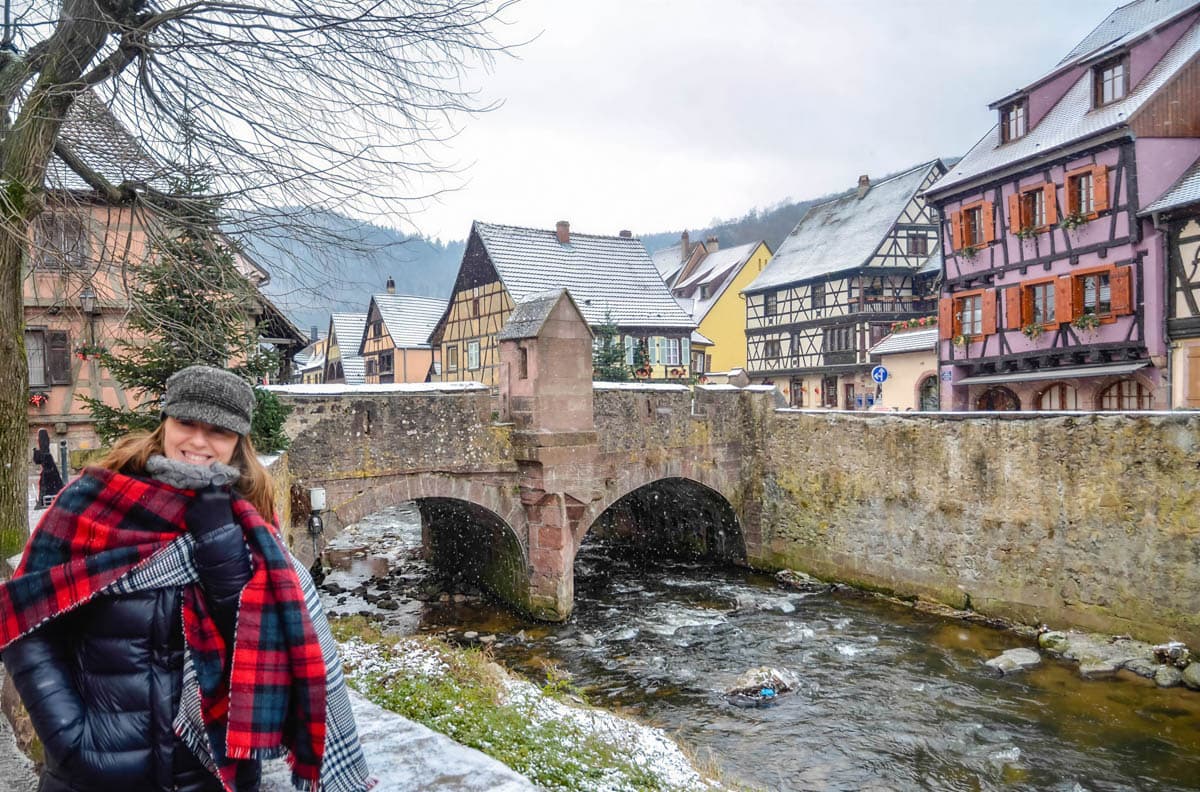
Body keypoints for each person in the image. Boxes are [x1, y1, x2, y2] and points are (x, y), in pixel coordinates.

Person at [0, 365, 370, 792]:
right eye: (186, 423)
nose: (197, 441)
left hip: (212, 772)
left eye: (218, 431)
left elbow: (260, 645)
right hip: (96, 772)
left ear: (238, 441)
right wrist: (69, 738)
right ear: (166, 422)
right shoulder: (91, 502)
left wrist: (222, 557)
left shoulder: (248, 519)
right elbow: (23, 619)